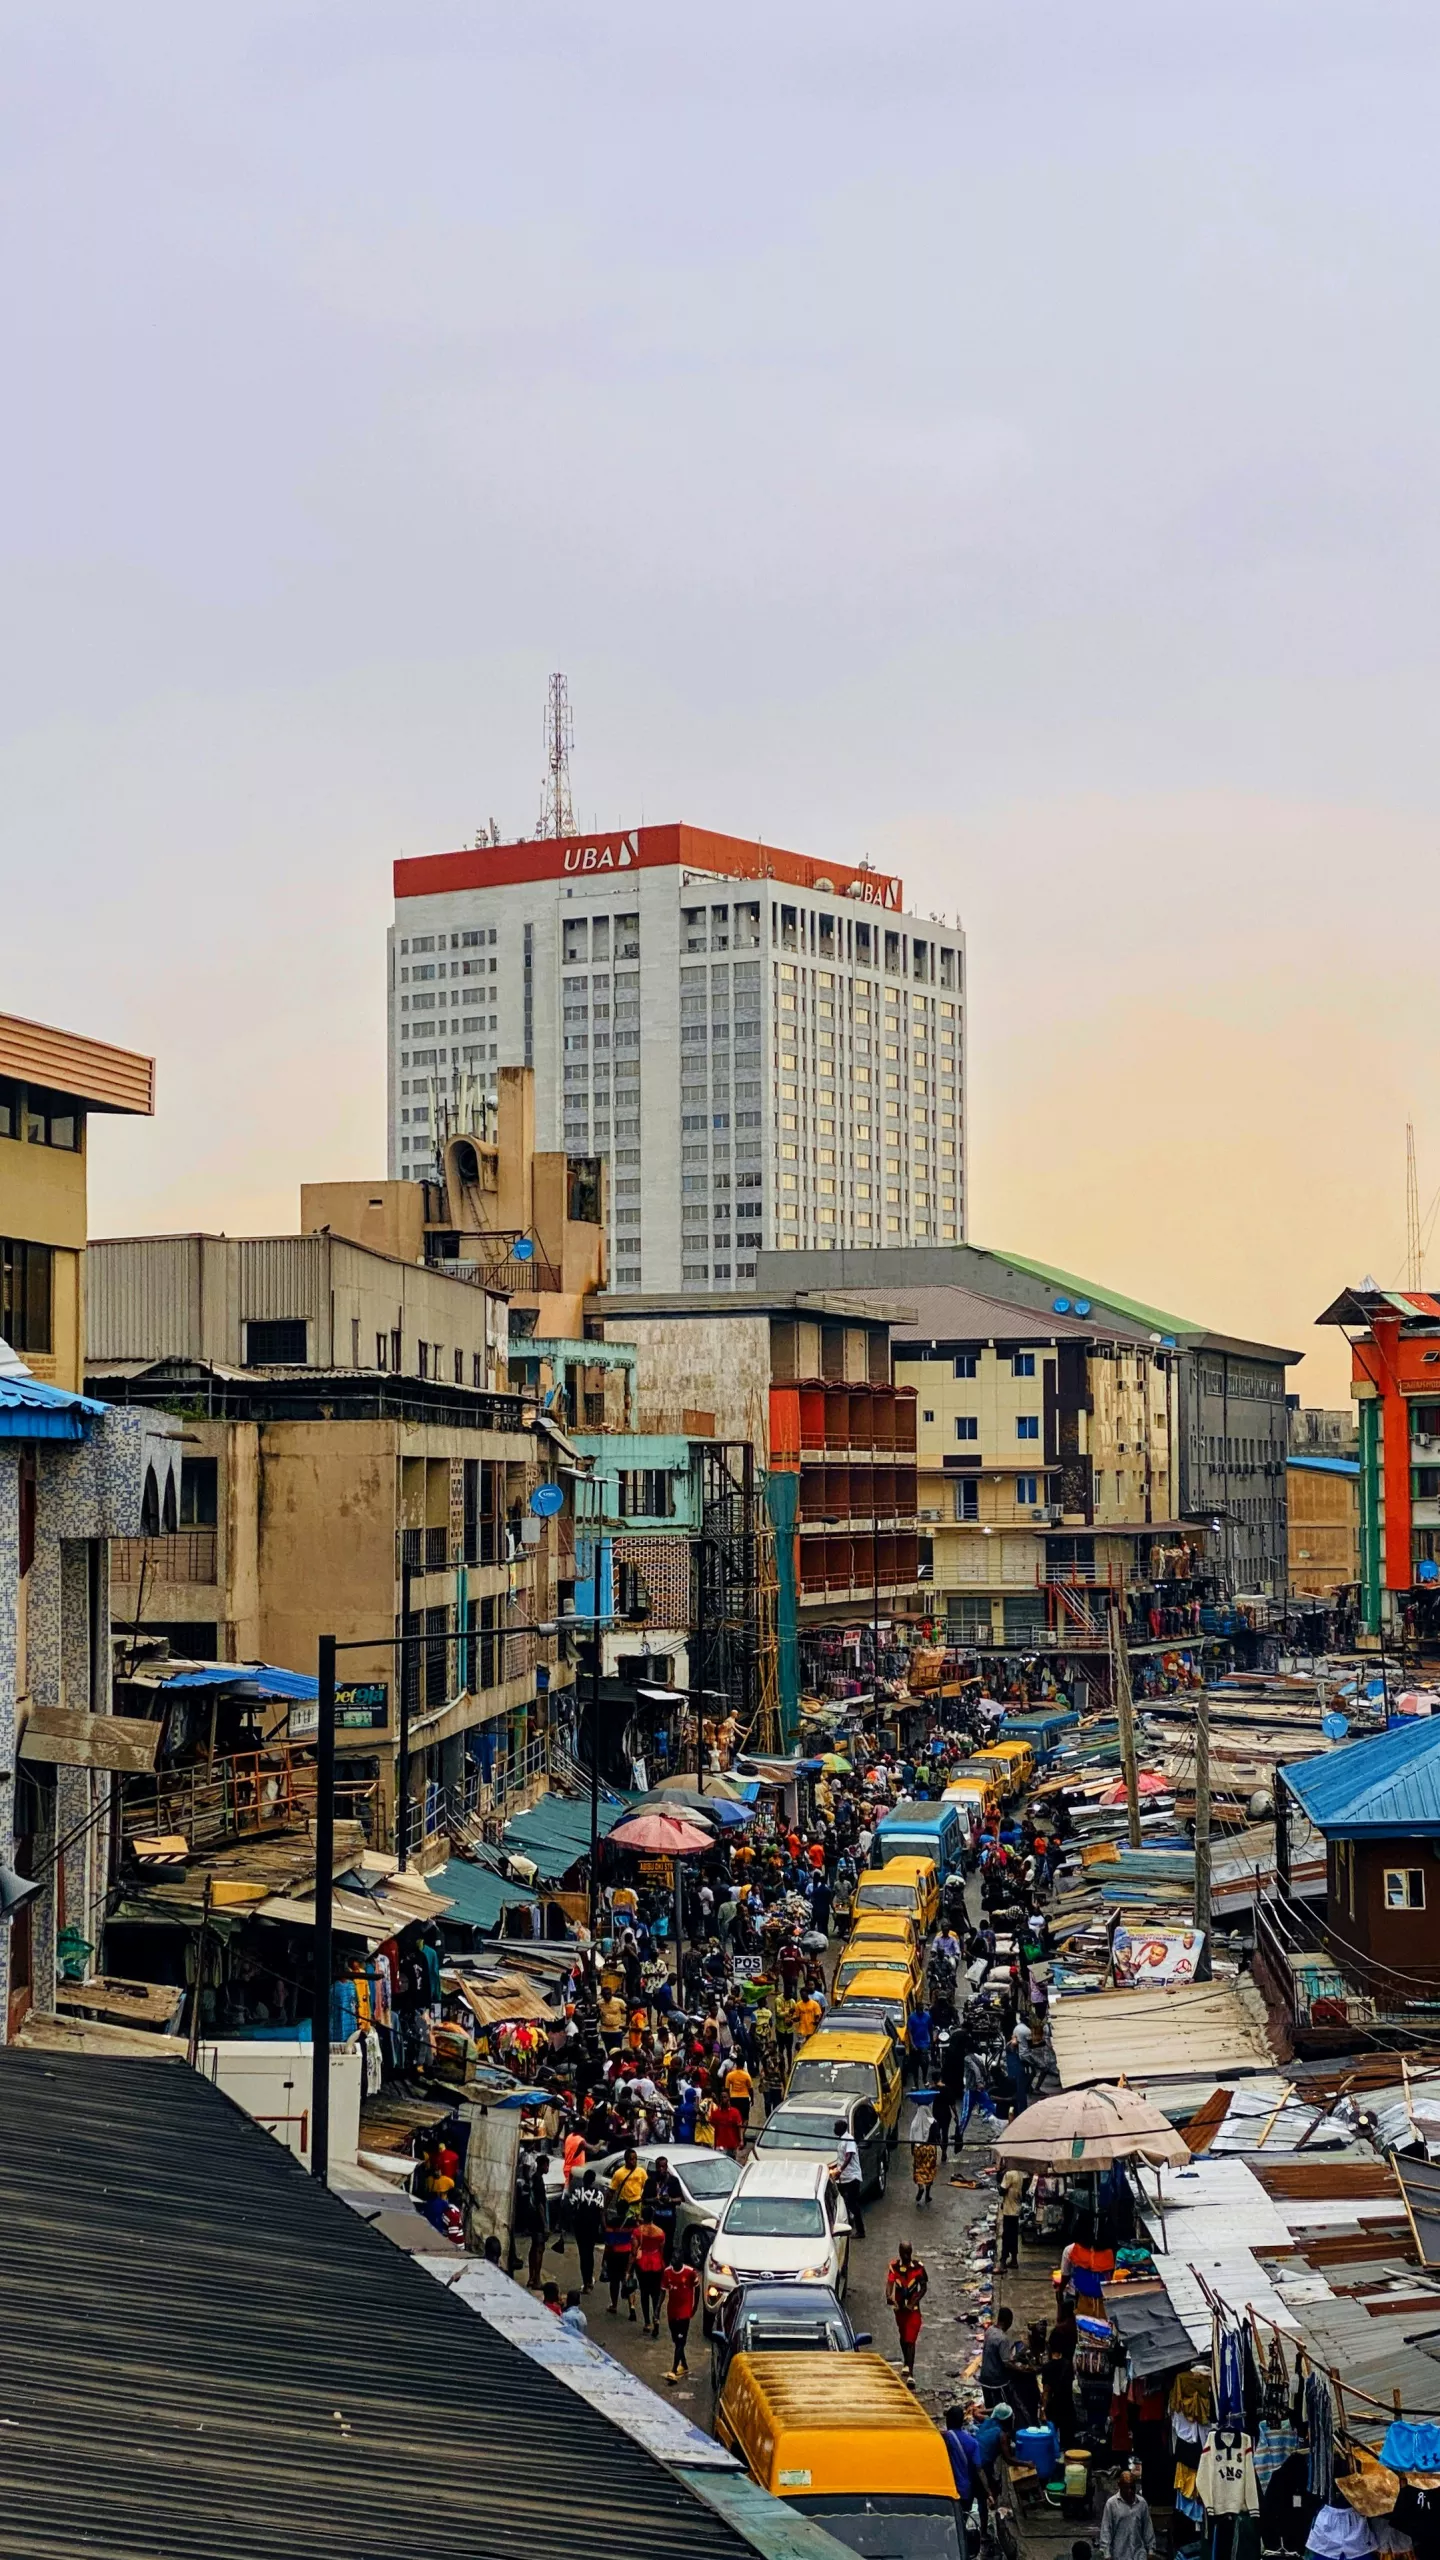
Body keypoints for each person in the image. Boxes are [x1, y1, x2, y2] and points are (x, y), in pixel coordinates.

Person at [886, 2239, 928, 2378]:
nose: (905, 2256)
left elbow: (923, 2287)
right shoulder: (894, 2267)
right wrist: (889, 2297)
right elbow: (890, 2282)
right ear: (899, 2252)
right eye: (903, 2253)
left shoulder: (918, 2268)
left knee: (911, 2339)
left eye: (908, 2253)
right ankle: (906, 2363)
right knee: (903, 2337)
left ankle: (910, 2372)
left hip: (913, 2310)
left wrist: (914, 2301)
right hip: (900, 2309)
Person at [1098, 2472, 1156, 2560]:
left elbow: (1147, 2528)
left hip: (1139, 2554)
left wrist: (1151, 2550)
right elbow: (1106, 2529)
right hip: (1119, 2555)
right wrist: (1106, 2553)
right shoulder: (1111, 2504)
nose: (1130, 2491)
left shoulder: (1142, 2503)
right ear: (1119, 2485)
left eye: (1132, 2487)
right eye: (1126, 2487)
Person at [661, 2253, 699, 2382]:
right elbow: (663, 2290)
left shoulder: (690, 2272)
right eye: (672, 2259)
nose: (673, 2262)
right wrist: (657, 2309)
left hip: (684, 2312)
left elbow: (697, 2287)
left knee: (680, 2341)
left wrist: (694, 2307)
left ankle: (674, 2370)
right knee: (676, 2340)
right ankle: (685, 2365)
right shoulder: (667, 2272)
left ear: (682, 2261)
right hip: (672, 2311)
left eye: (676, 2260)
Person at [569, 2169, 604, 2295]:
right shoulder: (598, 2194)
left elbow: (571, 2207)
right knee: (589, 2253)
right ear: (594, 2180)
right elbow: (601, 2212)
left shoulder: (578, 2192)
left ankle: (586, 2281)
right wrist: (602, 2228)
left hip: (580, 2228)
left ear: (584, 2179)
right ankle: (589, 2281)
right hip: (592, 2228)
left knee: (583, 2255)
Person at [633, 2211, 668, 2337]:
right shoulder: (660, 2232)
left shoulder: (638, 2231)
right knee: (656, 2293)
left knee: (644, 2293)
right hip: (657, 2263)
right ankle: (656, 2317)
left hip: (642, 2264)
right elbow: (661, 2249)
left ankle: (647, 2322)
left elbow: (634, 2249)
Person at [979, 2305, 1021, 2407]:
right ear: (1008, 2321)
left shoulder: (989, 2330)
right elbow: (1006, 2362)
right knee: (1001, 2407)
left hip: (984, 2377)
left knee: (989, 2406)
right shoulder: (1003, 2339)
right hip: (996, 2381)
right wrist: (1020, 2369)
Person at [833, 2119, 867, 2240]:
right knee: (841, 2202)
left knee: (852, 2203)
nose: (834, 2130)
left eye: (836, 2127)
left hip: (852, 2177)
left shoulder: (849, 2140)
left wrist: (840, 2170)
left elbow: (849, 2156)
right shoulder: (842, 2140)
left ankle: (860, 2230)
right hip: (843, 2178)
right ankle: (847, 2226)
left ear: (841, 2128)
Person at [999, 2164, 1025, 2268]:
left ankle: (1003, 2260)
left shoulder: (1009, 2174)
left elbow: (1002, 2191)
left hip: (1009, 2210)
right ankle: (1014, 2260)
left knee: (1006, 2236)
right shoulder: (1020, 2174)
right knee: (1014, 2236)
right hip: (1016, 2209)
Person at [912, 2121, 939, 2209]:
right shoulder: (933, 2122)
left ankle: (920, 2187)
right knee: (929, 2170)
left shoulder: (916, 2122)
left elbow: (913, 2136)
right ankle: (927, 2194)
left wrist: (913, 2149)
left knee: (918, 2169)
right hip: (930, 2149)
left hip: (919, 2148)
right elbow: (938, 2136)